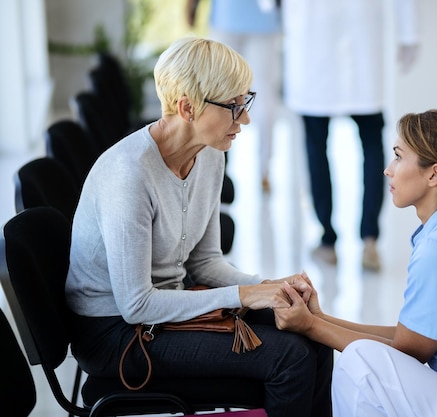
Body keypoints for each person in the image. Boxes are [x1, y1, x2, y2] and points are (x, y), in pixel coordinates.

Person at [64, 37, 333, 417]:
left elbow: (205, 262)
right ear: (187, 107)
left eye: (246, 102)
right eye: (234, 107)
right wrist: (244, 295)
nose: (246, 119)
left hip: (166, 307)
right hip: (116, 334)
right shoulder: (128, 175)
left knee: (311, 336)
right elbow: (136, 305)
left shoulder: (209, 156)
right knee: (289, 358)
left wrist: (271, 289)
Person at [274, 109, 437, 416]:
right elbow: (407, 336)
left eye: (399, 157)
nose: (389, 170)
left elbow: (407, 350)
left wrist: (310, 326)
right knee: (364, 356)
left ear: (434, 174)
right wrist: (320, 319)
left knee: (359, 363)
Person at [281, 0, 420, 271]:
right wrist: (409, 33)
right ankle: (370, 240)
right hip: (361, 44)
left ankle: (327, 241)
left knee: (316, 149)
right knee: (371, 148)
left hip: (314, 41)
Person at [187, 0, 282, 193]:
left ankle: (214, 167)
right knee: (264, 94)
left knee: (217, 93)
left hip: (227, 15)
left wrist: (191, 7)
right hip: (264, 16)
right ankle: (265, 170)